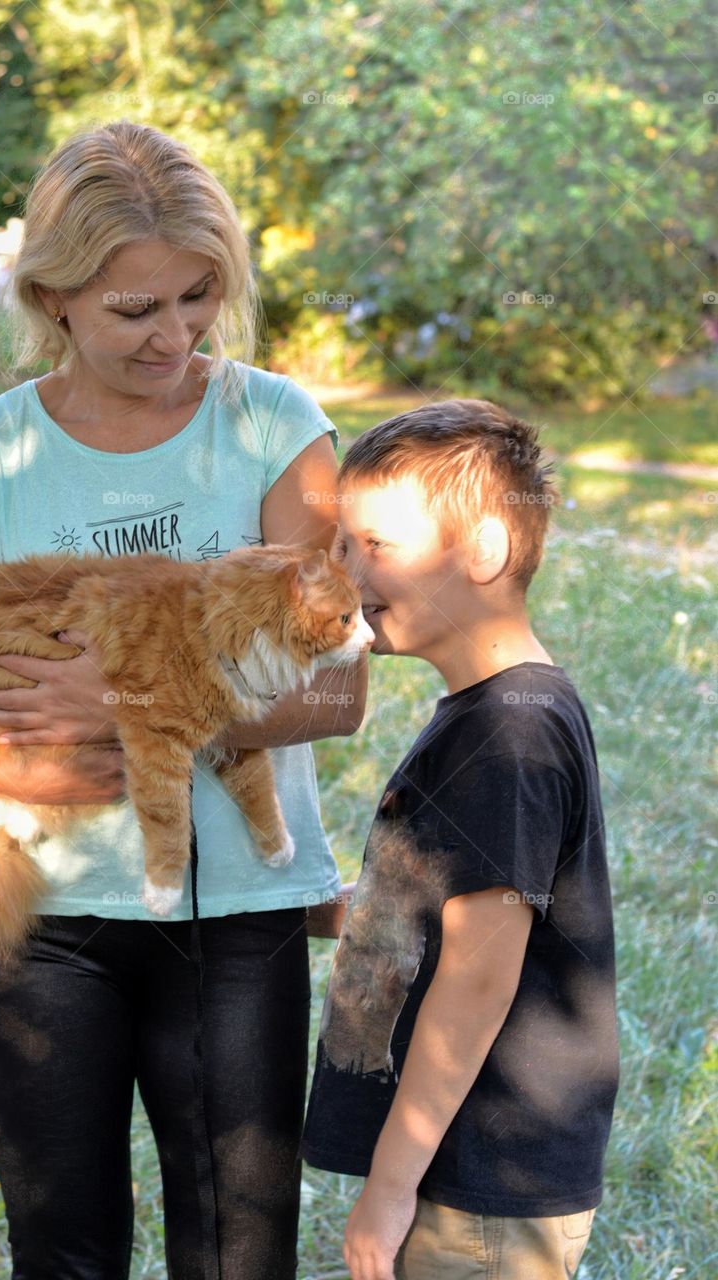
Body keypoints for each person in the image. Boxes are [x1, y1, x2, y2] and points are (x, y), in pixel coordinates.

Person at [0, 119, 367, 1279]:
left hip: (236, 917)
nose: (173, 334)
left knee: (238, 1250)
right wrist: (10, 772)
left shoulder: (274, 425)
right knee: (63, 1247)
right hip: (50, 930)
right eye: (134, 309)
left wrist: (135, 702)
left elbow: (343, 686)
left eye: (197, 296)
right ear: (52, 296)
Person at [299, 399, 620, 1280]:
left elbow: (476, 979)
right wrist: (296, 916)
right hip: (467, 1177)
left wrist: (390, 1188)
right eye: (340, 545)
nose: (346, 571)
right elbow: (429, 914)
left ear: (482, 550)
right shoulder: (495, 712)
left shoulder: (507, 736)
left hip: (480, 1181)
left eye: (376, 547)